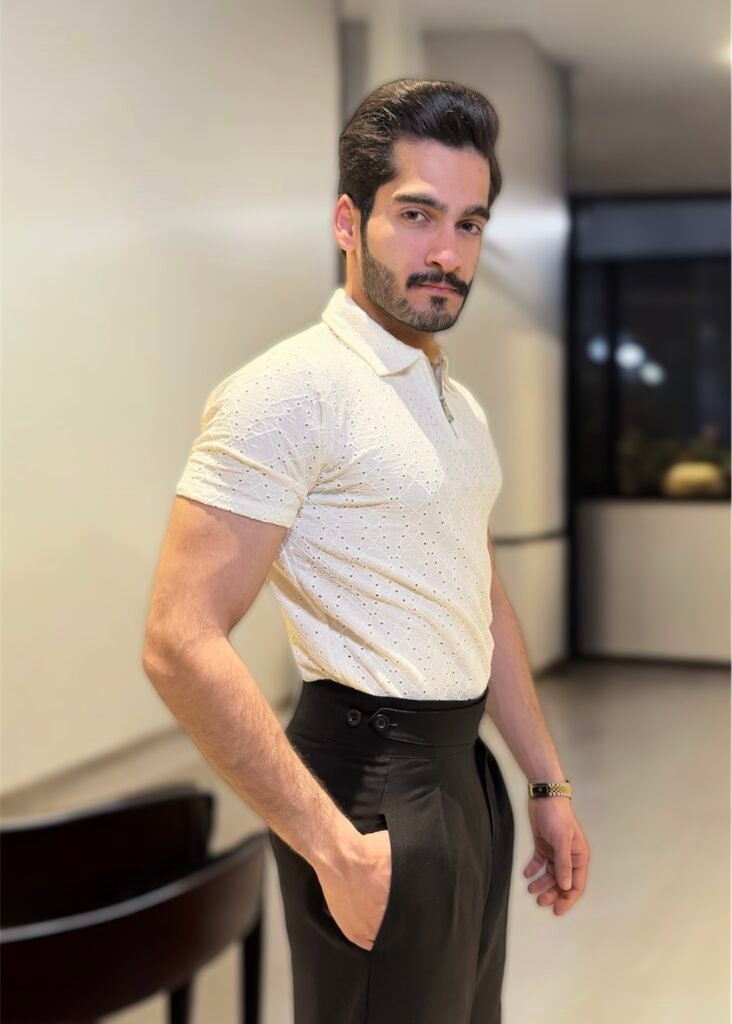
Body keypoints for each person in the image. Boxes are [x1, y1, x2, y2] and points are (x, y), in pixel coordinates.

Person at [143, 77, 590, 1024]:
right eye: (417, 215)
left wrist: (544, 779)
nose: (447, 253)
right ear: (349, 221)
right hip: (368, 788)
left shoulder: (453, 402)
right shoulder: (290, 391)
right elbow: (179, 640)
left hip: (464, 773)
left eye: (469, 224)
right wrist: (335, 849)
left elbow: (483, 598)